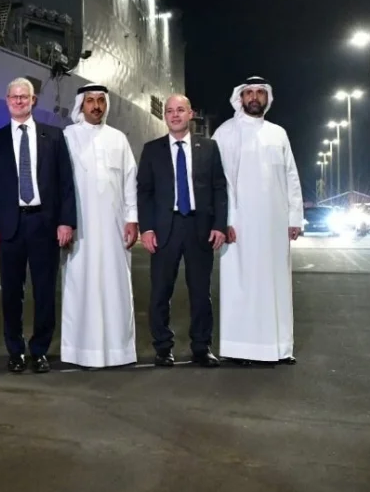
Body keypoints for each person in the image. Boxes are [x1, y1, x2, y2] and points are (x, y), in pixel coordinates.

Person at [0, 77, 77, 374]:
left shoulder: (54, 137)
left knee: (45, 290)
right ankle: (15, 350)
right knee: (11, 292)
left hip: (44, 223)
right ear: (7, 100)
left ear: (33, 100)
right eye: (14, 97)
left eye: (25, 97)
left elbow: (65, 184)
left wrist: (66, 222)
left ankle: (39, 350)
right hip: (10, 225)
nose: (20, 101)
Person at [211, 76, 303, 366]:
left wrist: (294, 216)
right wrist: (222, 221)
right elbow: (216, 182)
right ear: (240, 97)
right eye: (249, 93)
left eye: (259, 93)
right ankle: (240, 350)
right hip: (238, 225)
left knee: (275, 286)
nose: (254, 98)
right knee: (241, 284)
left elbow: (291, 177)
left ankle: (278, 348)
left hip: (274, 225)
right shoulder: (225, 132)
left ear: (267, 99)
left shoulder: (278, 133)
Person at [137, 94, 227, 368]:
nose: (175, 115)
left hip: (199, 227)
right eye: (169, 111)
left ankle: (202, 346)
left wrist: (219, 225)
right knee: (160, 291)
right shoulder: (152, 149)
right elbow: (145, 192)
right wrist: (147, 228)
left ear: (191, 114)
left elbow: (219, 189)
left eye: (180, 110)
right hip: (166, 228)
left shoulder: (209, 148)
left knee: (201, 292)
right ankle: (163, 347)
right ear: (165, 117)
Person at [59, 84, 139, 369]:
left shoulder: (118, 139)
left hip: (115, 229)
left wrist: (132, 218)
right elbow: (60, 183)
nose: (96, 106)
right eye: (90, 101)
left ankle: (119, 350)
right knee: (80, 286)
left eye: (100, 101)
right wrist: (63, 222)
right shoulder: (67, 137)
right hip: (80, 228)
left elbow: (130, 182)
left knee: (115, 285)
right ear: (81, 105)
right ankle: (80, 351)